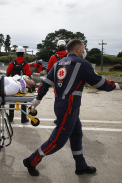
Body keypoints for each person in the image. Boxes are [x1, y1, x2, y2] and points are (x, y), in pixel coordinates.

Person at [23, 39, 121, 176]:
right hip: (69, 106)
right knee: (57, 141)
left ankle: (80, 166)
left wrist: (38, 99)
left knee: (76, 134)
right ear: (77, 49)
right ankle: (32, 160)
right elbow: (98, 82)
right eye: (83, 48)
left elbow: (45, 83)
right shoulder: (82, 63)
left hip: (63, 105)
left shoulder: (58, 64)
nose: (84, 50)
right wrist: (116, 86)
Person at [6, 46, 32, 123]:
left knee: (12, 100)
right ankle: (23, 118)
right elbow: (29, 76)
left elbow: (7, 74)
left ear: (16, 53)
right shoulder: (26, 64)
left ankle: (10, 118)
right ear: (23, 54)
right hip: (22, 85)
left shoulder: (12, 62)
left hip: (13, 84)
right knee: (23, 100)